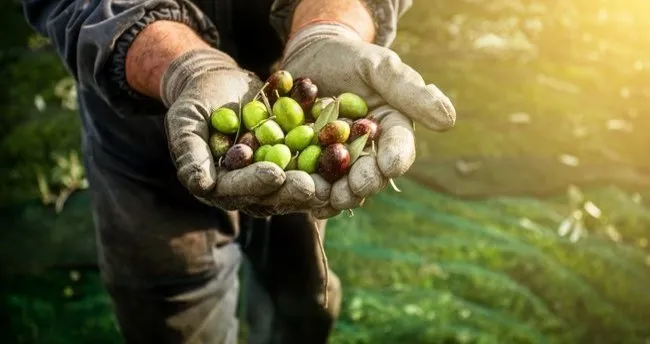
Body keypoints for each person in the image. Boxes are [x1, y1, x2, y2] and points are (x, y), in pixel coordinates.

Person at [20, 0, 456, 342]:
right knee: (171, 312)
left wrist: (330, 26)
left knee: (302, 301)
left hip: (300, 72)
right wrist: (185, 67)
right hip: (141, 117)